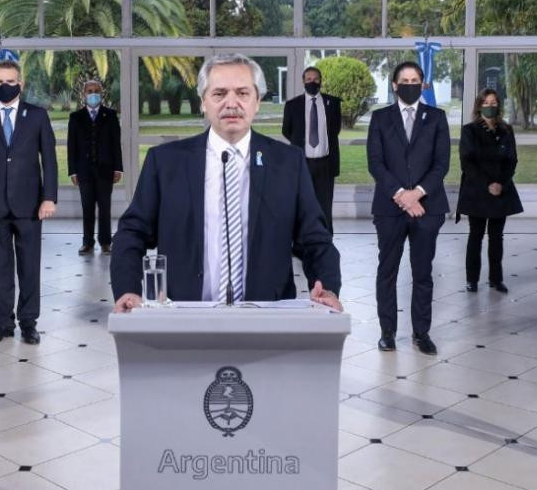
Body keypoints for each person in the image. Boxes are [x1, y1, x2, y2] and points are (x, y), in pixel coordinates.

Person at [110, 54, 342, 313]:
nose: (231, 103)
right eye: (219, 94)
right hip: (183, 316)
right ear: (203, 102)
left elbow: (316, 240)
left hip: (267, 319)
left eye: (242, 93)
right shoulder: (165, 162)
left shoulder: (288, 163)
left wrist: (328, 287)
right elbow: (131, 234)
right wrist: (128, 288)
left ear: (257, 102)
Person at [0, 59, 57, 346]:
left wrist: (49, 197)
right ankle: (3, 324)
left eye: (10, 81)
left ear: (21, 83)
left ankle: (28, 322)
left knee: (29, 266)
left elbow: (49, 160)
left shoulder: (38, 116)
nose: (5, 86)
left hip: (30, 205)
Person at [367, 61, 450, 355]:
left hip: (428, 209)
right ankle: (387, 333)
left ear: (423, 84)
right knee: (387, 272)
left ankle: (421, 333)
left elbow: (442, 164)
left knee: (423, 273)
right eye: (405, 79)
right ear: (394, 85)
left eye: (415, 80)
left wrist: (417, 194)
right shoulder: (379, 118)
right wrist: (402, 195)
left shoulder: (437, 118)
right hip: (390, 210)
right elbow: (375, 164)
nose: (410, 84)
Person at [457, 88, 522, 293]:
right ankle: (472, 280)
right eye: (486, 102)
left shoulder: (506, 130)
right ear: (479, 105)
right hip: (477, 191)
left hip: (501, 191)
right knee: (475, 236)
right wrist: (488, 184)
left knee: (497, 237)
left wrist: (500, 183)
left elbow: (512, 160)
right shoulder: (469, 130)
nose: (490, 106)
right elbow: (467, 162)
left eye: (494, 103)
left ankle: (496, 279)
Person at [282, 66, 341, 232]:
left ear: (320, 81)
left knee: (325, 204)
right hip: (302, 163)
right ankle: (303, 237)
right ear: (303, 82)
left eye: (315, 79)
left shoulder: (333, 103)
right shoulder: (292, 105)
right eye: (308, 79)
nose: (312, 82)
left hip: (325, 164)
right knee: (302, 203)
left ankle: (325, 238)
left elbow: (335, 130)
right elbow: (287, 131)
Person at [69, 80, 124, 256]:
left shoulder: (111, 115)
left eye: (97, 91)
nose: (93, 94)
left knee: (105, 207)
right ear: (84, 94)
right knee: (87, 208)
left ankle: (106, 242)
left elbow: (116, 144)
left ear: (102, 93)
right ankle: (88, 243)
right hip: (84, 171)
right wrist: (73, 171)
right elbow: (71, 147)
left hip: (105, 170)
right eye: (90, 91)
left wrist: (118, 168)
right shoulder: (75, 117)